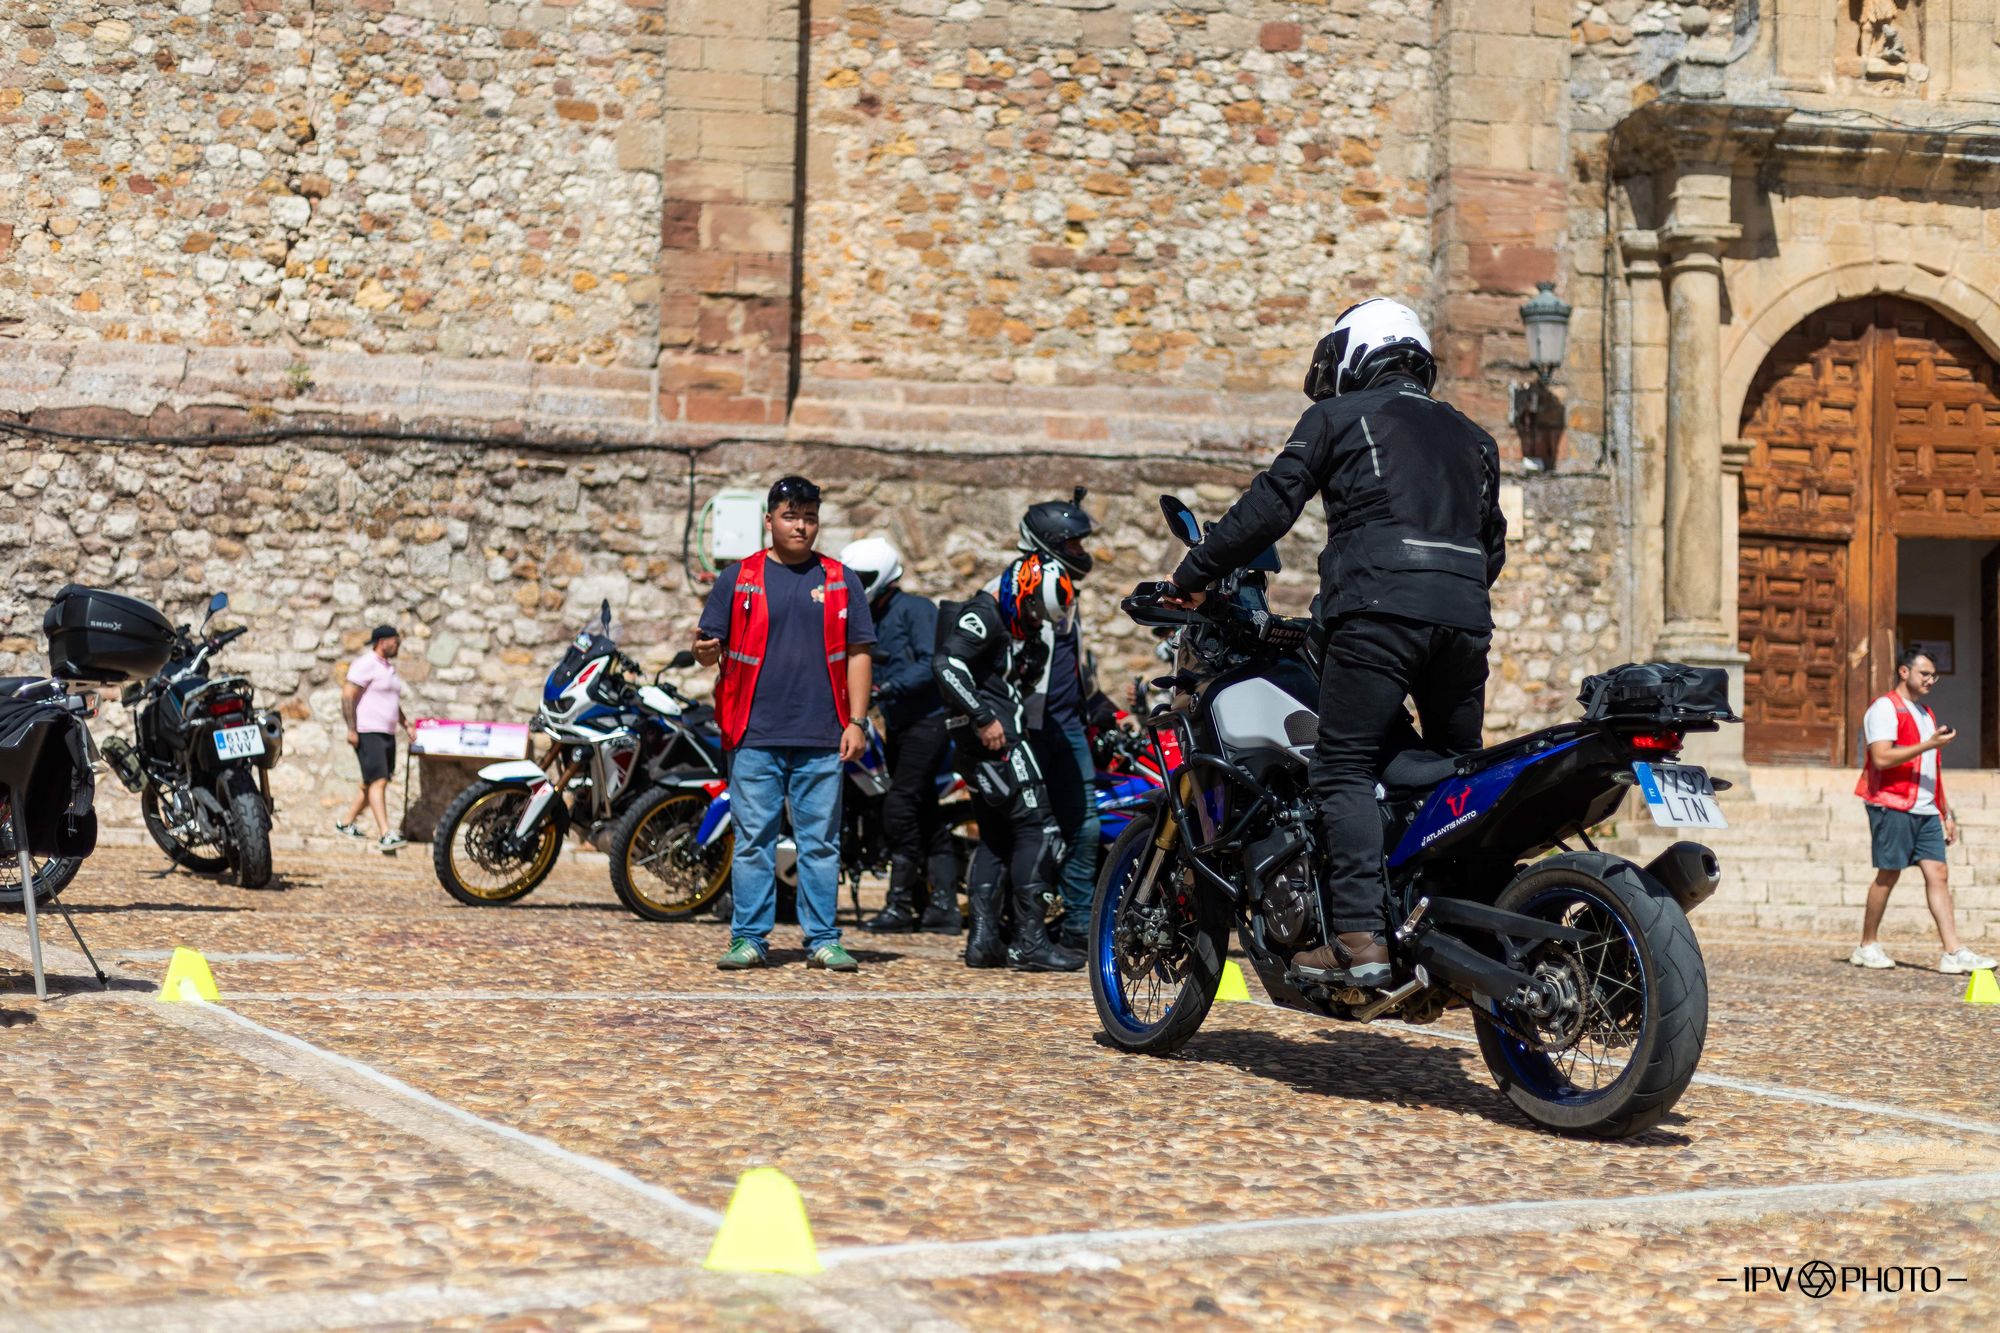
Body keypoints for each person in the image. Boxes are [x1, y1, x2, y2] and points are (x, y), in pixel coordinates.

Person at [1162, 298, 1506, 988]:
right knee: (1452, 775)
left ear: (1356, 354)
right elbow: (1490, 545)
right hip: (1466, 620)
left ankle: (1358, 937)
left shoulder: (1338, 416)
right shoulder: (1475, 438)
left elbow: (1271, 505)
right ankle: (1461, 924)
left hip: (1377, 611)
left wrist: (1192, 576)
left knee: (1343, 765)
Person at [694, 476, 876, 973]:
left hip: (823, 734)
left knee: (821, 844)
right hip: (753, 733)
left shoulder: (841, 580)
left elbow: (859, 653)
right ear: (769, 520)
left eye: (810, 518)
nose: (801, 526)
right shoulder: (738, 579)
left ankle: (823, 940)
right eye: (791, 516)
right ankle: (749, 938)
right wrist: (703, 651)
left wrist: (857, 722)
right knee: (754, 841)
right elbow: (706, 649)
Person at [934, 554, 1084, 972]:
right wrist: (983, 717)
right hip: (998, 743)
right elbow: (946, 664)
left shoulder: (1007, 623)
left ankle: (984, 943)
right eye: (1037, 612)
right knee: (1039, 831)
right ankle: (1030, 943)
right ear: (1022, 593)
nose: (1038, 622)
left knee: (996, 838)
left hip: (981, 747)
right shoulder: (984, 614)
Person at [840, 537, 961, 935]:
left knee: (899, 807)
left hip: (928, 722)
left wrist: (889, 687)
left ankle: (900, 905)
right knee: (925, 812)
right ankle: (942, 907)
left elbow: (932, 661)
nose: (855, 585)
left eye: (861, 578)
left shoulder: (915, 609)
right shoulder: (869, 615)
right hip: (899, 726)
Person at [1850, 648, 1996, 974]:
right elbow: (1881, 758)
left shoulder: (1925, 713)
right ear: (1904, 672)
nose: (1931, 680)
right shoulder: (1884, 708)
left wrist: (1946, 812)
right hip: (1891, 803)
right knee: (1889, 873)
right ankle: (1867, 945)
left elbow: (1931, 770)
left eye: (1934, 675)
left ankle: (1953, 951)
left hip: (1926, 808)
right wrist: (1929, 744)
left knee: (1938, 873)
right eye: (1925, 674)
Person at [1014, 491, 1102, 950]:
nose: (1080, 552)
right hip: (1030, 728)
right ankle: (1022, 929)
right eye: (1072, 544)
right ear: (1047, 543)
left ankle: (1079, 926)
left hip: (1069, 726)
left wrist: (1100, 705)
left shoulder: (1067, 592)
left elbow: (1073, 662)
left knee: (1085, 828)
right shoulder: (1019, 587)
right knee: (1032, 831)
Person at [336, 624, 409, 852]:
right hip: (368, 731)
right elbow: (348, 695)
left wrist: (406, 724)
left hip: (387, 732)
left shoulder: (388, 668)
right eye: (395, 640)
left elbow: (391, 703)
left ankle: (345, 823)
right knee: (379, 780)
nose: (398, 645)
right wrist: (351, 729)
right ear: (382, 642)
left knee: (371, 782)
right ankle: (385, 834)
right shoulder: (365, 663)